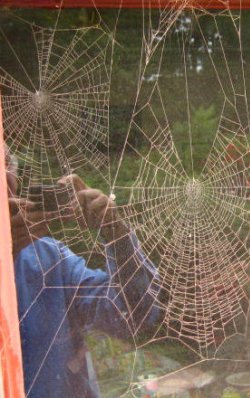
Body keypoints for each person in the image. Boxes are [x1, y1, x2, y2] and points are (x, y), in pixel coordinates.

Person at [5, 150, 160, 398]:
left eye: (6, 163)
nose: (4, 176)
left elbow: (136, 316)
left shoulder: (48, 260)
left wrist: (116, 233)